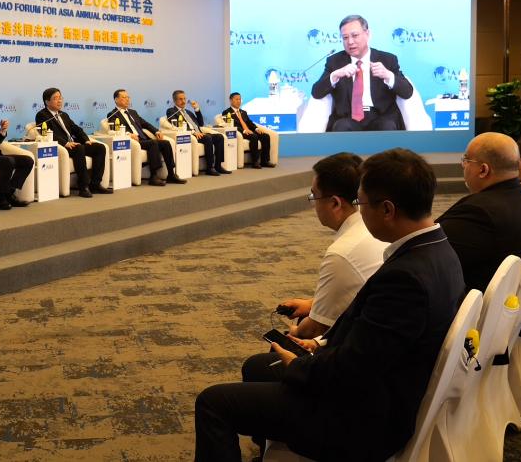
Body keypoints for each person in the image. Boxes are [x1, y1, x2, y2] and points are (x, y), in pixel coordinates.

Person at [195, 148, 464, 462]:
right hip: (388, 386)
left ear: (387, 209)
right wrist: (318, 344)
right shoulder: (438, 248)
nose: (359, 212)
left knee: (213, 403)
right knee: (259, 366)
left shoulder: (405, 279)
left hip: (362, 419)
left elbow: (352, 370)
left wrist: (299, 365)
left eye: (361, 203)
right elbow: (374, 340)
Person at [277, 153, 386, 341]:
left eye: (314, 196)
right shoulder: (378, 227)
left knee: (270, 353)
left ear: (335, 203)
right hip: (380, 326)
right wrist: (313, 304)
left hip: (364, 343)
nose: (313, 203)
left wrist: (294, 332)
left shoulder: (342, 254)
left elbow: (315, 329)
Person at [436, 132, 521, 292]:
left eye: (466, 160)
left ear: (483, 170)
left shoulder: (477, 212)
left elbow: (429, 253)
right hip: (505, 298)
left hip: (469, 300)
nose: (463, 166)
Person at [311, 15, 414, 132]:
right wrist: (334, 76)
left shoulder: (387, 59)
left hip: (381, 117)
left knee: (387, 126)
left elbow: (407, 92)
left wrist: (388, 75)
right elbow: (316, 93)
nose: (350, 42)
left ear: (367, 34)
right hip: (347, 118)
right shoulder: (335, 61)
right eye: (345, 37)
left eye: (355, 35)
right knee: (341, 126)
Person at [34, 87, 111, 198]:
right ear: (47, 101)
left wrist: (86, 140)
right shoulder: (42, 115)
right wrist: (65, 143)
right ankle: (83, 187)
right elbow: (47, 133)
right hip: (61, 147)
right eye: (55, 98)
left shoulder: (63, 114)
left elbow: (76, 129)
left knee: (99, 148)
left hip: (74, 144)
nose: (59, 101)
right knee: (79, 148)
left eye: (60, 98)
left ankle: (95, 184)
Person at [108, 89, 186, 187]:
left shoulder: (133, 112)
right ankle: (153, 176)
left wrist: (156, 131)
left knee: (165, 143)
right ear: (116, 100)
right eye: (124, 97)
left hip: (143, 139)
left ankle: (171, 174)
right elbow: (115, 130)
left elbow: (146, 124)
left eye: (128, 97)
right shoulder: (113, 114)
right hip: (133, 141)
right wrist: (128, 134)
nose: (127, 99)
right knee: (153, 143)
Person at [166, 90, 229, 176]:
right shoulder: (171, 111)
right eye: (180, 99)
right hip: (190, 135)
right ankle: (210, 168)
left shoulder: (188, 112)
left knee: (219, 137)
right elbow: (176, 125)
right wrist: (193, 132)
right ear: (175, 100)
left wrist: (197, 109)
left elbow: (201, 123)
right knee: (207, 138)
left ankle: (218, 165)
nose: (183, 101)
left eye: (184, 99)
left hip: (199, 133)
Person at [221, 92, 273, 168]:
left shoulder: (243, 112)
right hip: (240, 132)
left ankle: (265, 161)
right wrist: (244, 131)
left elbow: (249, 122)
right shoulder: (226, 112)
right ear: (231, 100)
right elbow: (231, 125)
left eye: (240, 99)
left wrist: (256, 128)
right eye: (236, 99)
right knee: (254, 137)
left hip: (249, 131)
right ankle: (255, 162)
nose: (239, 101)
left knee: (265, 136)